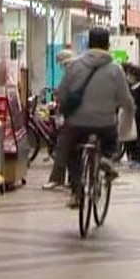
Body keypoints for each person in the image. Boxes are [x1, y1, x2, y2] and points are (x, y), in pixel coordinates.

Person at [53, 27, 134, 210]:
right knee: (110, 138)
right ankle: (106, 157)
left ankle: (76, 191)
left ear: (88, 44)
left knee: (72, 153)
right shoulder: (115, 69)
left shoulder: (74, 65)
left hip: (76, 124)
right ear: (108, 45)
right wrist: (129, 110)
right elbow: (125, 99)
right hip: (105, 124)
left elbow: (61, 93)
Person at [43, 47, 80, 191]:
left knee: (62, 146)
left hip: (75, 117)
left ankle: (57, 178)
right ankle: (73, 179)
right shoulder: (82, 70)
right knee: (74, 149)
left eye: (62, 64)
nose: (62, 67)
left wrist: (58, 100)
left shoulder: (72, 73)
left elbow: (62, 92)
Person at [121, 62, 140, 168]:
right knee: (129, 139)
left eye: (129, 75)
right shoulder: (129, 87)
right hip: (129, 117)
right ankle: (133, 157)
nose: (128, 77)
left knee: (138, 138)